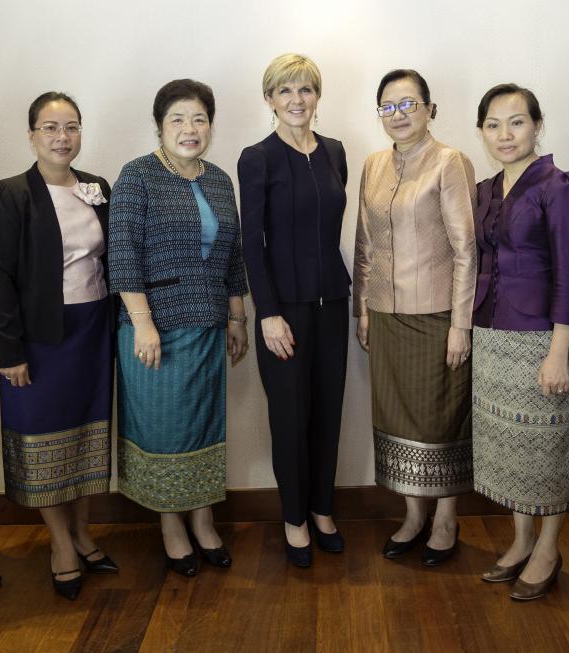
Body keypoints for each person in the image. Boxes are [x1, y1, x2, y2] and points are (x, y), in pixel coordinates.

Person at [108, 79, 249, 578]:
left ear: (210, 125)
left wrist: (237, 318)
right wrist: (143, 325)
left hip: (209, 326)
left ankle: (204, 520)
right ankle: (171, 526)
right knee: (165, 429)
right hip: (156, 332)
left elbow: (234, 257)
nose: (190, 129)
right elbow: (122, 256)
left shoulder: (218, 179)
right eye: (177, 119)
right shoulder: (137, 176)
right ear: (159, 125)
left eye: (199, 119)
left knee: (204, 426)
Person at [0, 91, 117, 600]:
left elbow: (110, 258)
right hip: (39, 338)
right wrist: (9, 351)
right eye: (50, 127)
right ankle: (60, 541)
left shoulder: (96, 187)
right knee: (43, 442)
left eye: (72, 127)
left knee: (86, 437)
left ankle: (83, 533)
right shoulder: (12, 192)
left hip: (92, 330)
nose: (62, 137)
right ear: (32, 134)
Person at [353, 69, 476, 566]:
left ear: (430, 108)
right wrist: (362, 309)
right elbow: (364, 244)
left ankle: (445, 519)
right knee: (396, 417)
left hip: (436, 317)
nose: (398, 114)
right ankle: (412, 515)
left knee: (439, 419)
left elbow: (467, 249)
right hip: (384, 315)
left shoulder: (450, 161)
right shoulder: (373, 164)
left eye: (408, 104)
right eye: (388, 105)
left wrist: (460, 325)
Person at [470, 84, 569, 599]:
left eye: (516, 122)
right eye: (493, 124)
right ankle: (520, 541)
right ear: (481, 132)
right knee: (508, 450)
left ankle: (549, 547)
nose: (505, 134)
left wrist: (561, 349)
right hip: (491, 332)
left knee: (547, 448)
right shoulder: (486, 189)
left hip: (542, 337)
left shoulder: (558, 184)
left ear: (537, 124)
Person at [237, 53, 349, 568]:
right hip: (283, 312)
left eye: (305, 90)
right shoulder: (256, 158)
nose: (296, 100)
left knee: (328, 412)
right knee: (290, 417)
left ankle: (323, 509)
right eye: (285, 91)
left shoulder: (335, 152)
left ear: (317, 96)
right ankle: (294, 519)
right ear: (269, 100)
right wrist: (268, 312)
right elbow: (250, 241)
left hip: (333, 305)